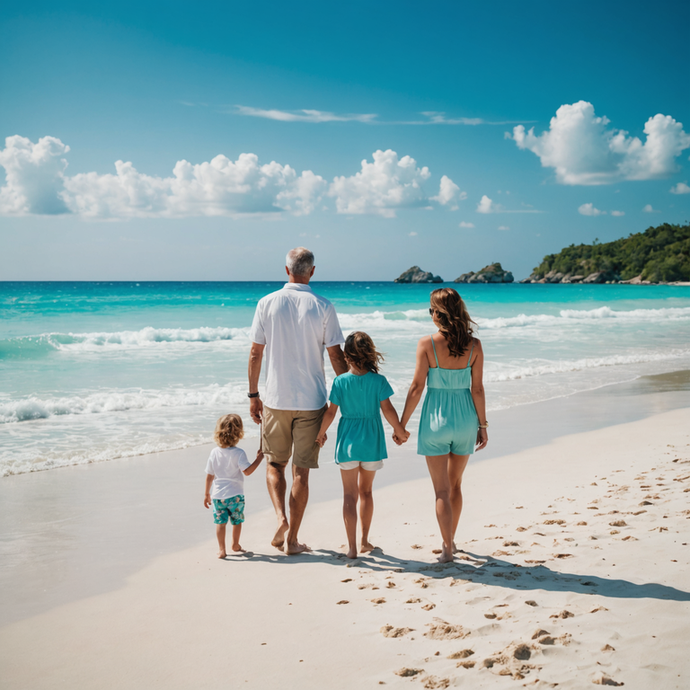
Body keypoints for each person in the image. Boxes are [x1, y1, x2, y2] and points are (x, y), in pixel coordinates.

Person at [248, 247, 347, 554]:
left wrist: (253, 395)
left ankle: (280, 518)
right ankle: (292, 541)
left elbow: (255, 352)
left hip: (276, 399)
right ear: (312, 272)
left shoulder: (266, 303)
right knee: (300, 472)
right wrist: (346, 392)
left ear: (286, 270)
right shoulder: (323, 305)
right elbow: (335, 354)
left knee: (275, 464)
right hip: (312, 400)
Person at [400, 288, 488, 563]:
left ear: (439, 314)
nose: (431, 315)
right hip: (465, 420)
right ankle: (451, 541)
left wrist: (401, 424)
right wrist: (482, 425)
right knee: (456, 486)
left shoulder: (427, 343)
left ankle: (447, 548)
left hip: (436, 420)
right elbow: (477, 390)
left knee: (440, 490)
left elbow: (416, 388)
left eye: (431, 310)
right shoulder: (474, 346)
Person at [316, 332, 409, 559]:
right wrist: (400, 431)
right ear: (369, 353)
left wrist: (320, 434)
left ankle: (351, 547)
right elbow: (388, 410)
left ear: (347, 356)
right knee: (366, 492)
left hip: (348, 441)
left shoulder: (340, 381)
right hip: (371, 441)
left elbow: (331, 412)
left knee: (349, 495)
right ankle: (365, 540)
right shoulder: (378, 381)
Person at [204, 414, 264, 558]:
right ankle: (235, 544)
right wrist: (259, 459)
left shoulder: (214, 452)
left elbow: (209, 475)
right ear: (239, 433)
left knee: (220, 522)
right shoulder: (239, 453)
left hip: (218, 496)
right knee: (237, 521)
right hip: (235, 496)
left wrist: (206, 493)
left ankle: (221, 549)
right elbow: (248, 471)